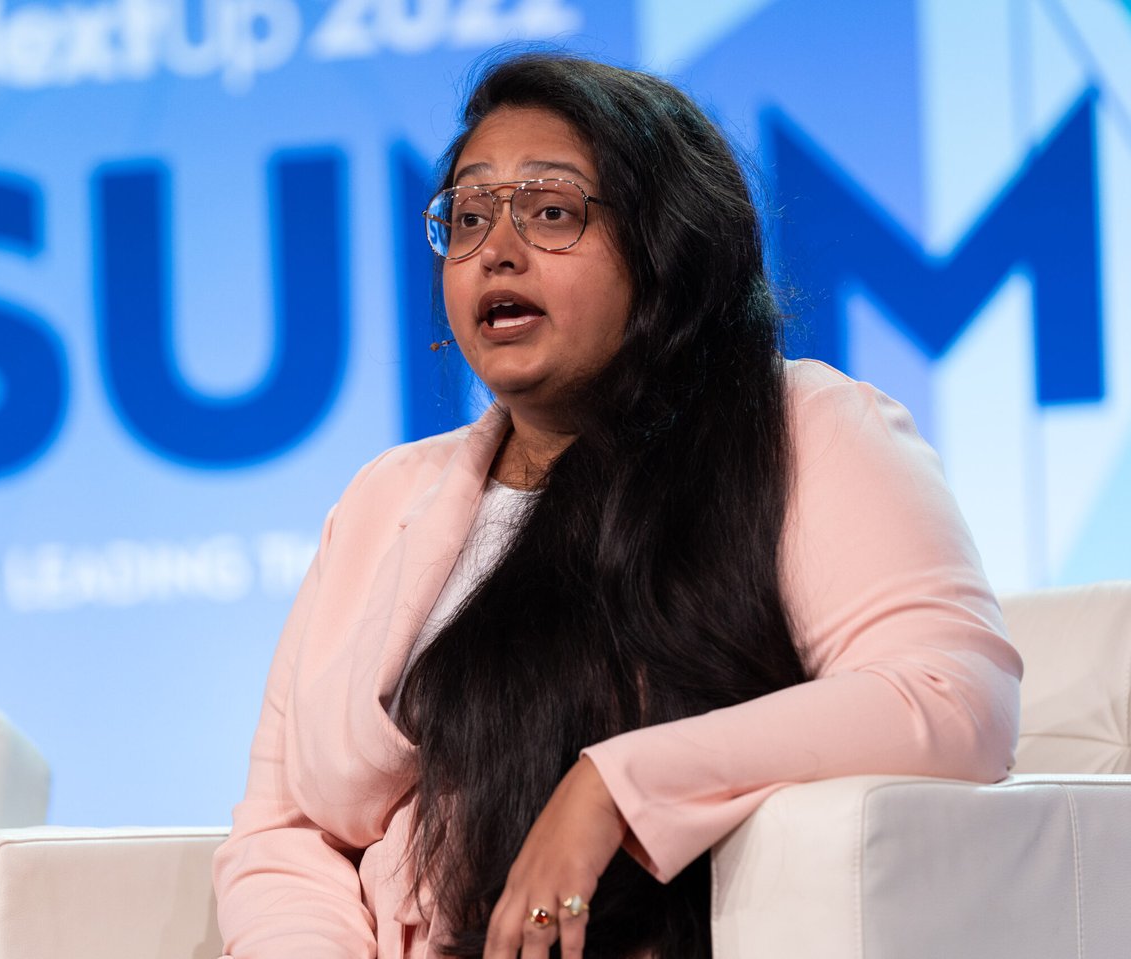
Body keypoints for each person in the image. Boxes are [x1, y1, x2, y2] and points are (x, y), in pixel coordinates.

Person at [212, 51, 1021, 959]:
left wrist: (613, 787)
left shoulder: (801, 428)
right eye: (470, 217)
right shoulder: (384, 498)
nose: (498, 250)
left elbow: (953, 701)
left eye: (551, 212)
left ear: (665, 245)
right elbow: (285, 831)